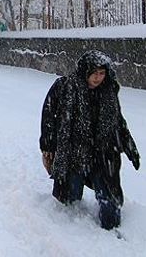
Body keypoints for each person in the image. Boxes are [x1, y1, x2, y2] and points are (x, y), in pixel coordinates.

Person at [39, 50, 140, 230]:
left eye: (102, 73)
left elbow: (118, 121)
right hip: (75, 152)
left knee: (108, 193)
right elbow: (49, 116)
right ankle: (69, 231)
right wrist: (48, 146)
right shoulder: (66, 87)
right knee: (70, 197)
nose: (98, 78)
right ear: (85, 71)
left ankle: (113, 229)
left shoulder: (108, 92)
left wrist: (130, 147)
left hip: (103, 153)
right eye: (94, 73)